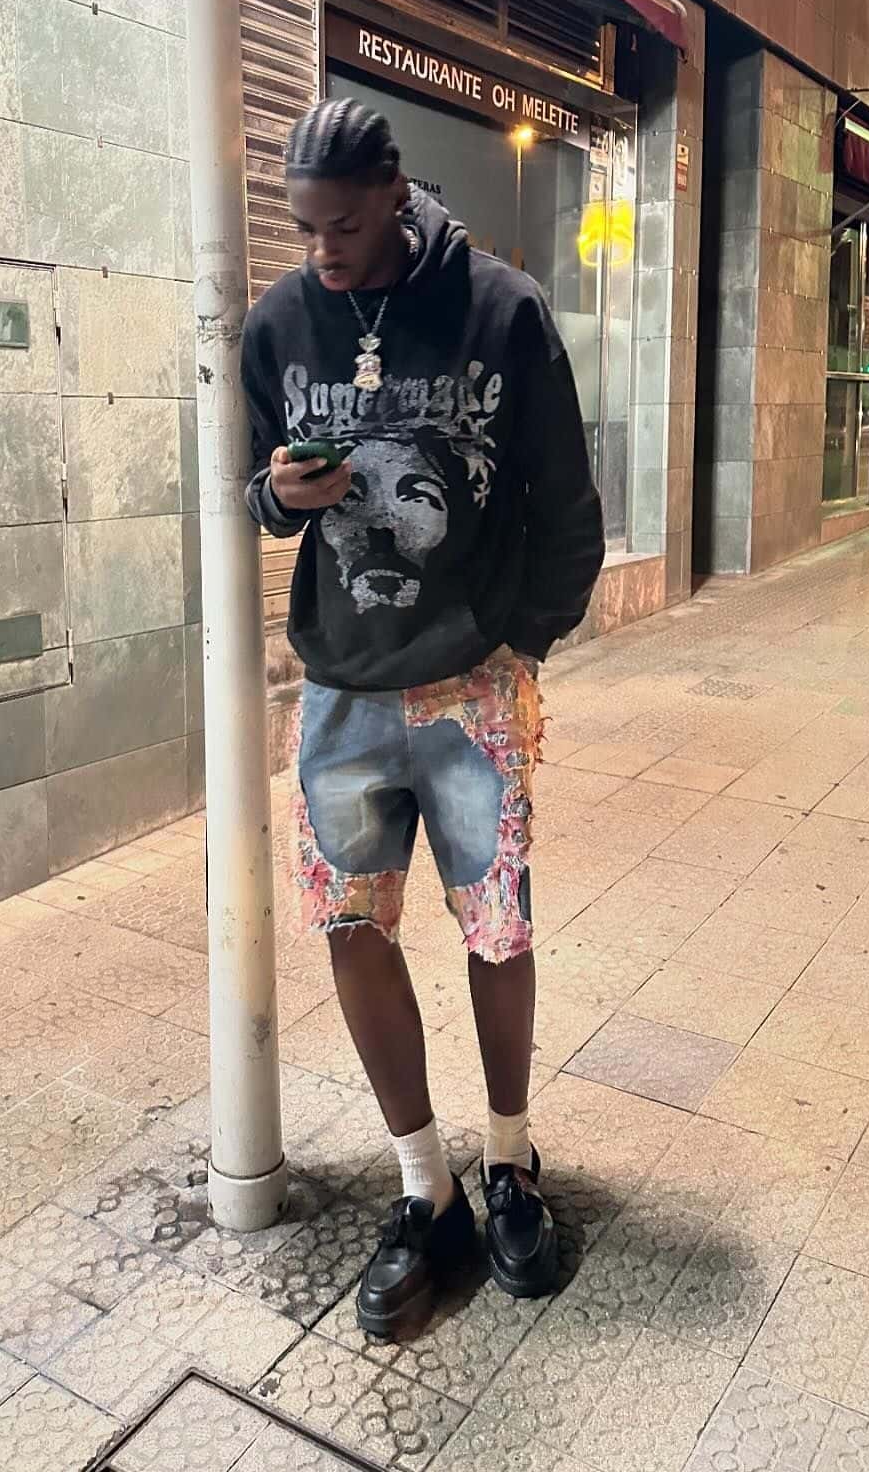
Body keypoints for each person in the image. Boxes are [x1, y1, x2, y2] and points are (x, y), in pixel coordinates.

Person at [241, 97, 605, 1337]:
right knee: (351, 926)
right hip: (342, 690)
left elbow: (567, 502)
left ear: (396, 196)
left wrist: (521, 641)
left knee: (496, 928)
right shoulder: (281, 324)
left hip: (471, 685)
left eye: (342, 225)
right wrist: (278, 497)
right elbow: (248, 484)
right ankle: (425, 1188)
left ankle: (508, 1161)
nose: (322, 250)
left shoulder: (501, 310)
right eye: (305, 227)